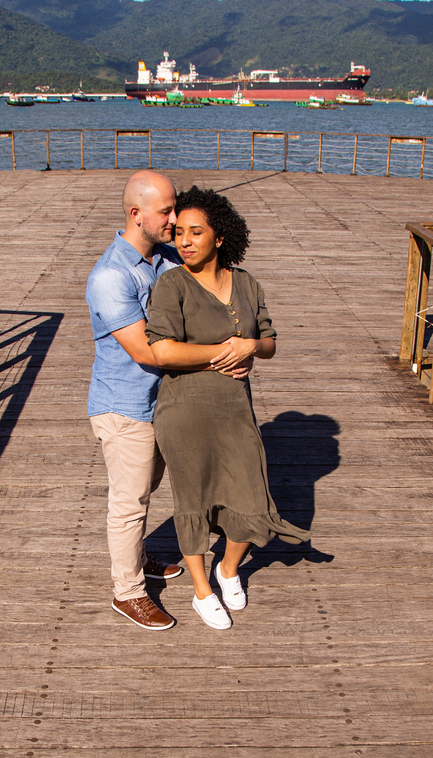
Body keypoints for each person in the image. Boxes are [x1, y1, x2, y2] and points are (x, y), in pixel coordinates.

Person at [86, 171, 253, 629]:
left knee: (152, 487)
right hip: (125, 406)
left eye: (175, 207)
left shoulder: (163, 258)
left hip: (166, 403)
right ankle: (129, 591)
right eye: (166, 211)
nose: (175, 218)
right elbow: (147, 350)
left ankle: (139, 558)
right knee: (130, 501)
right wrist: (226, 354)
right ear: (136, 214)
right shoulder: (110, 277)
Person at [145, 186, 309, 630]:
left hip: (235, 410)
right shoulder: (172, 284)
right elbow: (161, 351)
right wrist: (225, 349)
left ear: (220, 238)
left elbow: (270, 341)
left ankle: (228, 569)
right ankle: (201, 591)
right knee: (193, 500)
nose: (184, 241)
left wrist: (251, 345)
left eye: (196, 232)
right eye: (178, 233)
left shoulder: (248, 283)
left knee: (250, 498)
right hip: (184, 411)